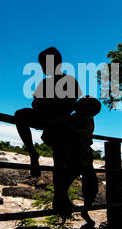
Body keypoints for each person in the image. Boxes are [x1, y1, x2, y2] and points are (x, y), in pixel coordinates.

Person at [14, 47, 82, 178]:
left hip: (60, 125)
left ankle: (60, 196)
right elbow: (34, 103)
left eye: (43, 65)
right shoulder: (45, 83)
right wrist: (45, 115)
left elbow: (72, 105)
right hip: (46, 119)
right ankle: (32, 152)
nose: (42, 68)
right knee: (20, 115)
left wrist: (56, 119)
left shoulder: (70, 80)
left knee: (60, 164)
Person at [42, 96, 100, 224]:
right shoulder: (69, 116)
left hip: (81, 156)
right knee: (63, 185)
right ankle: (63, 209)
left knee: (90, 186)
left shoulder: (82, 119)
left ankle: (81, 210)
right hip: (68, 155)